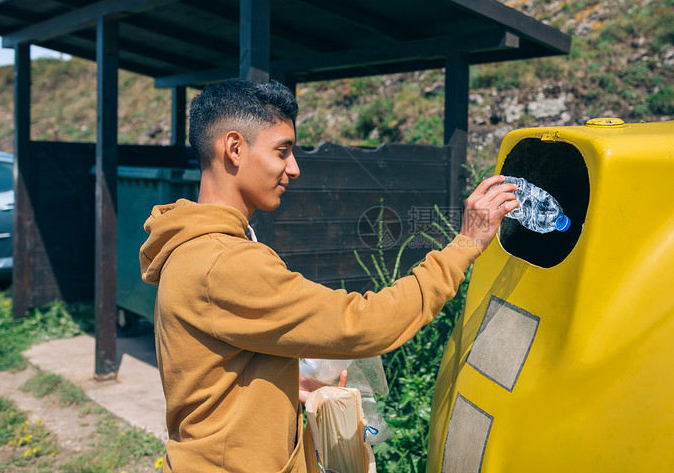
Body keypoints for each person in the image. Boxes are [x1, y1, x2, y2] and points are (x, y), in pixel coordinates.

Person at [139, 80, 518, 473]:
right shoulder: (223, 262)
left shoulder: (192, 246)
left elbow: (216, 374)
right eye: (282, 151)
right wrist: (466, 244)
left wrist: (285, 384)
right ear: (234, 148)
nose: (294, 169)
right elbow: (363, 324)